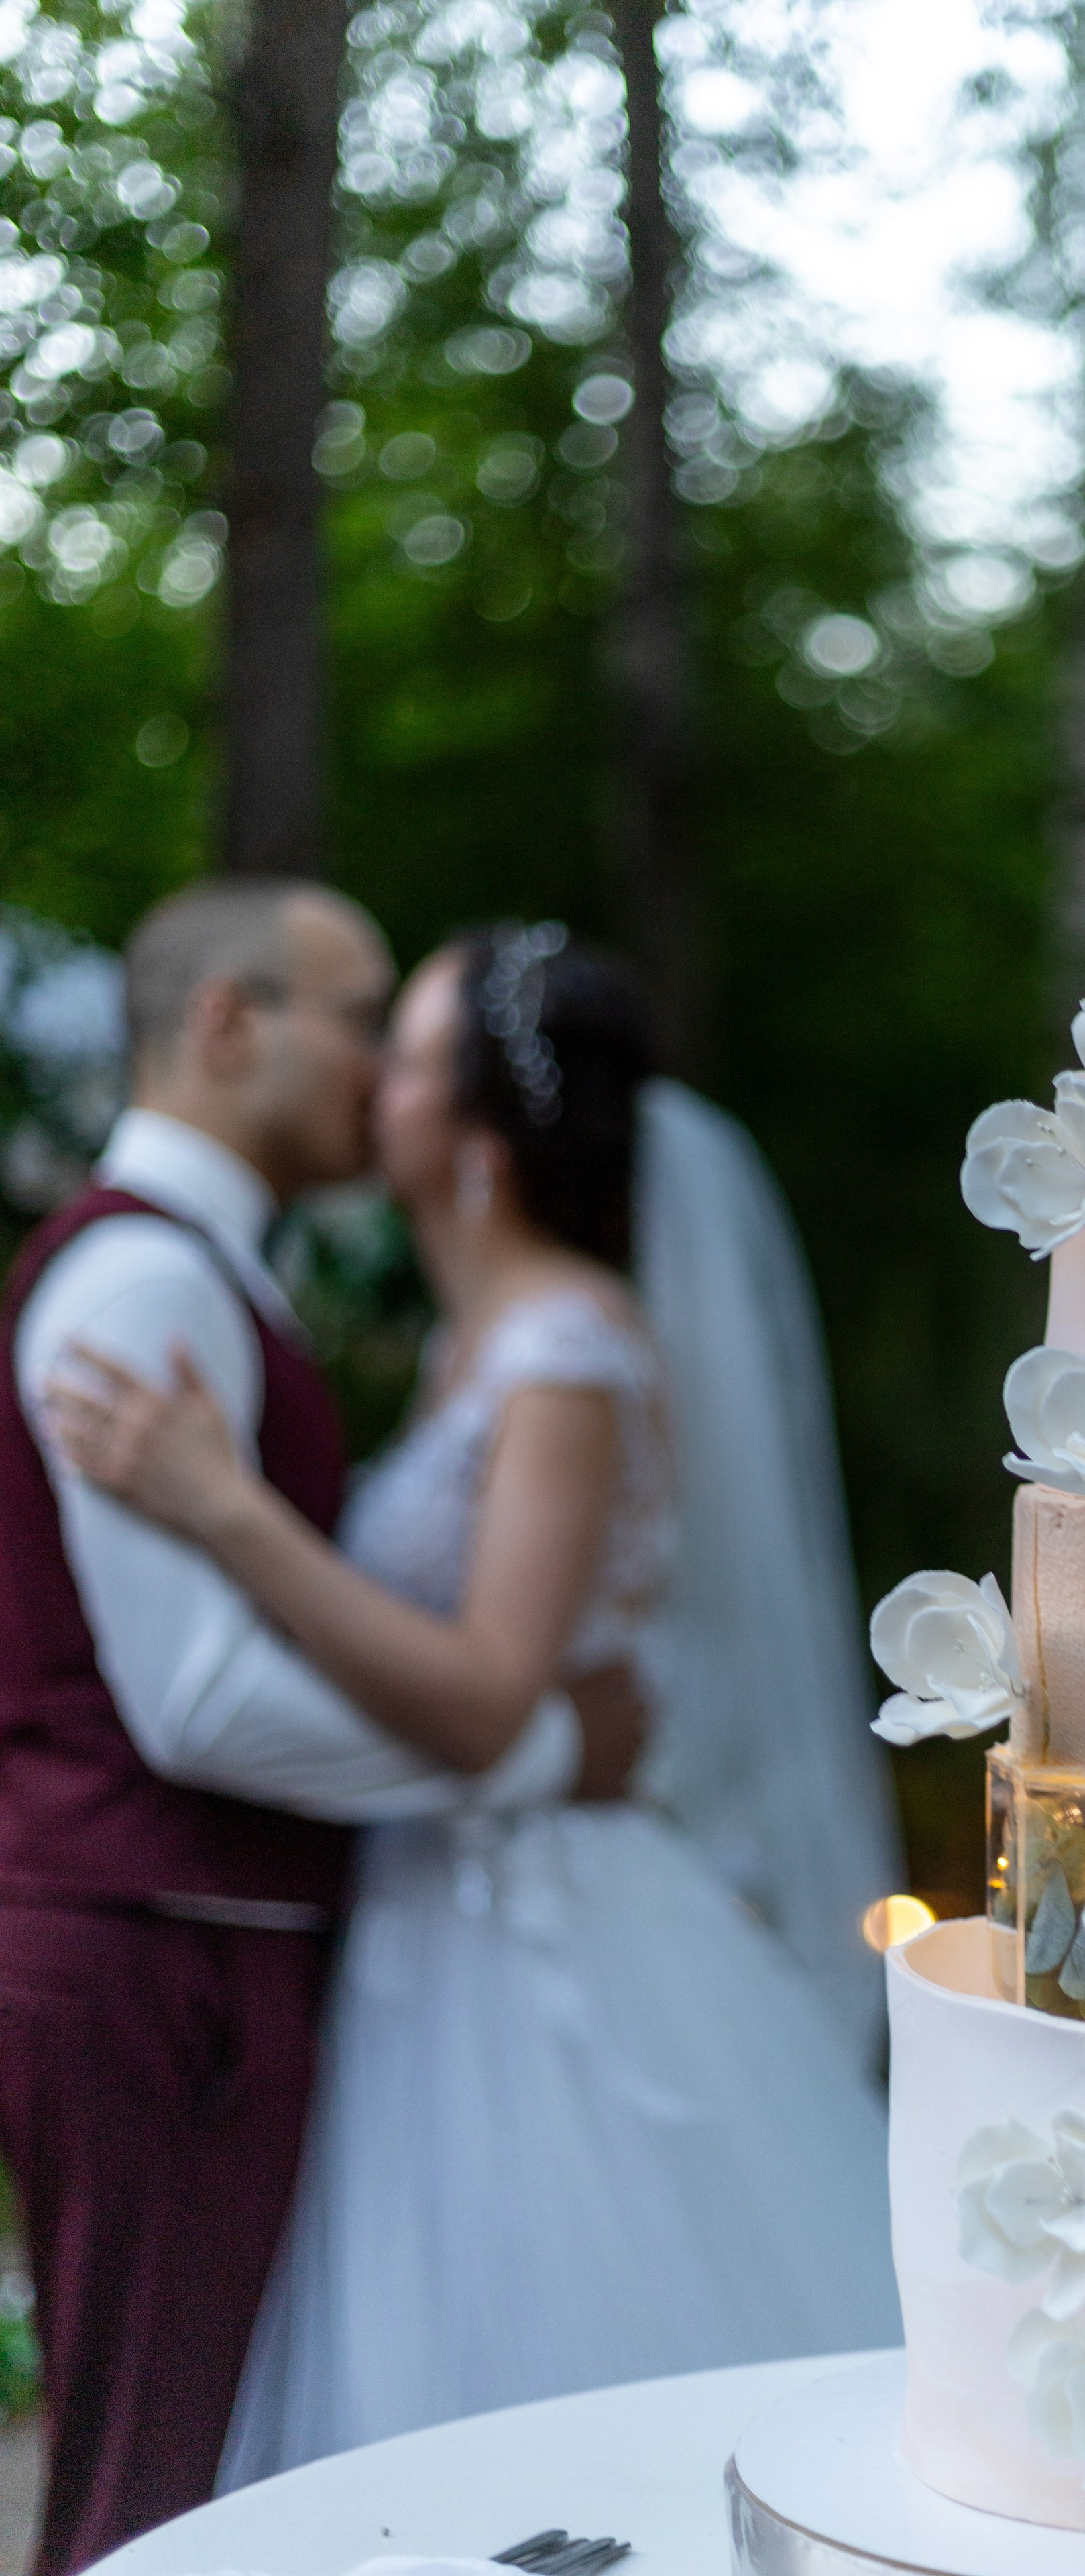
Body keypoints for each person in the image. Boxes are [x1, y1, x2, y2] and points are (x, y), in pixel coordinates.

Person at [44, 920, 902, 2485]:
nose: (373, 1079)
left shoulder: (565, 1349)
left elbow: (492, 1695)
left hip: (537, 1933)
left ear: (479, 1139)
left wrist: (225, 1510)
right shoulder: (469, 1348)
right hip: (424, 1916)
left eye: (408, 1049)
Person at [0, 881, 644, 2575]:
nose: (375, 1069)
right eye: (355, 1014)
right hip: (161, 1951)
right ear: (230, 1025)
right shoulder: (141, 1283)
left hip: (205, 1946)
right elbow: (198, 1699)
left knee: (197, 2463)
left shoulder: (208, 1274)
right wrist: (530, 1753)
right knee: (149, 2486)